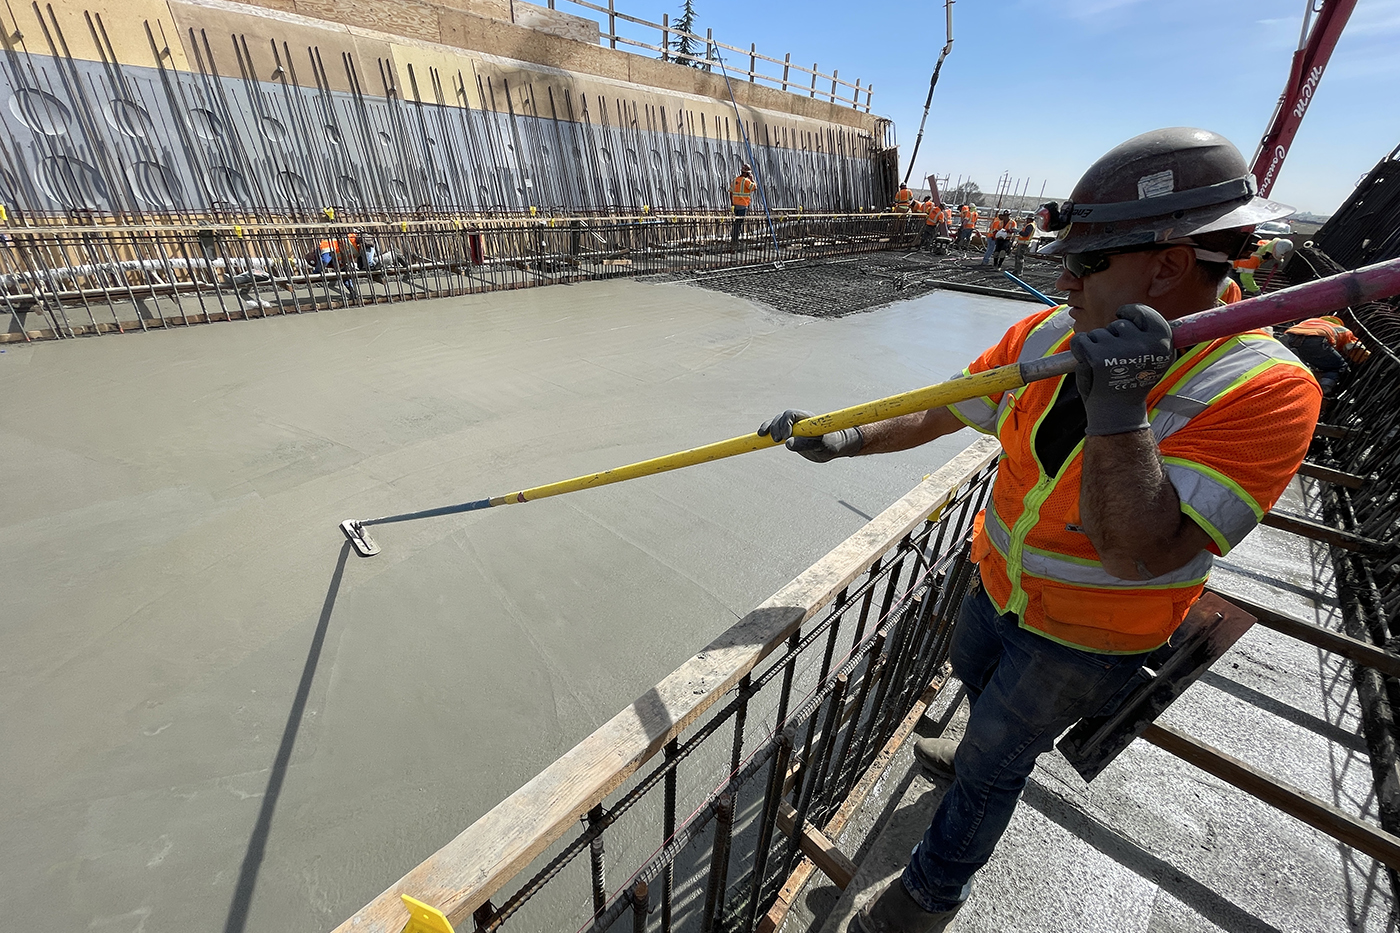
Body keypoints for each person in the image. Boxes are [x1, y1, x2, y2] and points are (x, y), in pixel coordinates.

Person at [757, 127, 1321, 933]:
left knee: (994, 762)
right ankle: (980, 741)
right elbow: (952, 401)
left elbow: (1139, 548)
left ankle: (926, 898)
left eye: (1088, 260)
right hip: (999, 584)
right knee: (975, 680)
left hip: (1087, 636)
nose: (1064, 274)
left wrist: (1121, 406)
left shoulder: (1267, 388)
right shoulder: (1053, 333)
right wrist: (847, 435)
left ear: (1166, 263)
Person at [1282, 314, 1370, 392]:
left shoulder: (1310, 321)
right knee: (1338, 367)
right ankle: (1321, 391)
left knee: (1291, 365)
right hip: (1314, 341)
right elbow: (1357, 351)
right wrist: (1367, 359)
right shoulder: (1344, 330)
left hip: (1286, 340)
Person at [730, 164, 757, 250]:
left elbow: (730, 192)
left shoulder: (735, 180)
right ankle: (735, 240)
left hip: (735, 205)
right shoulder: (746, 181)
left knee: (736, 223)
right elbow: (754, 188)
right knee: (739, 223)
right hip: (743, 205)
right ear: (746, 173)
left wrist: (732, 203)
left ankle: (734, 239)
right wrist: (752, 179)